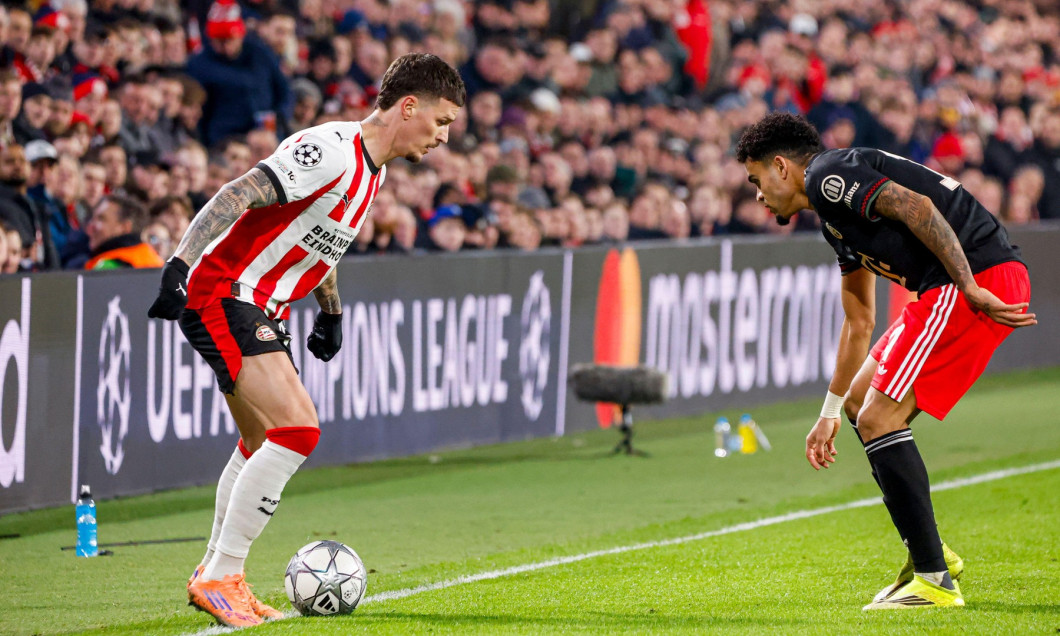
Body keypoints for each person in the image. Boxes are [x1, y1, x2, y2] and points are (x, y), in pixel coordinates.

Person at [146, 53, 464, 628]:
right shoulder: (332, 151)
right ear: (408, 106)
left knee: (258, 438)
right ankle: (222, 574)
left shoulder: (375, 169)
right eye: (440, 121)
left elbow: (320, 243)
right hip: (227, 292)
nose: (443, 137)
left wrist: (330, 312)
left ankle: (218, 575)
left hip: (260, 302)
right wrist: (179, 264)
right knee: (297, 430)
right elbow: (238, 192)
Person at [735, 112, 1035, 610]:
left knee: (879, 417)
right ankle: (930, 555)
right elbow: (859, 321)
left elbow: (915, 205)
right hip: (954, 286)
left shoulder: (828, 177)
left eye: (756, 179)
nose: (759, 194)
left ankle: (933, 578)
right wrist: (828, 413)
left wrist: (968, 286)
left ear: (782, 167)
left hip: (975, 279)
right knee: (859, 403)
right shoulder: (835, 222)